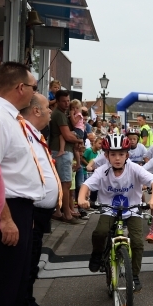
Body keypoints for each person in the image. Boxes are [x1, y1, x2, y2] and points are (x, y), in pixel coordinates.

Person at [0, 62, 45, 306]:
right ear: (20, 88)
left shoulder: (11, 117)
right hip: (8, 208)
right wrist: (5, 218)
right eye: (34, 87)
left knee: (15, 279)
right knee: (4, 281)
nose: (35, 93)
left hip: (22, 206)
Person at [78, 134, 153, 292]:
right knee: (100, 232)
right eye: (113, 154)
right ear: (106, 155)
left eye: (121, 154)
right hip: (109, 209)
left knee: (137, 243)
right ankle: (97, 253)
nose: (117, 158)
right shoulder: (102, 171)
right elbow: (86, 185)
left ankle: (134, 275)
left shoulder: (134, 168)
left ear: (127, 155)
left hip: (132, 210)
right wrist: (82, 198)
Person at [18, 94, 61, 306]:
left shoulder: (35, 135)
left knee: (32, 261)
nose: (50, 112)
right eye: (46, 108)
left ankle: (27, 303)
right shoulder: (23, 133)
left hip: (39, 211)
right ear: (35, 111)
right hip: (30, 210)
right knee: (25, 264)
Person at [48, 90, 83, 224]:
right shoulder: (60, 115)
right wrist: (79, 141)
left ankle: (58, 211)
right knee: (66, 183)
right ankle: (67, 214)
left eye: (68, 100)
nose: (67, 103)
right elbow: (67, 135)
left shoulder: (62, 114)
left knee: (62, 182)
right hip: (62, 152)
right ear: (57, 101)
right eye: (64, 101)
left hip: (61, 150)